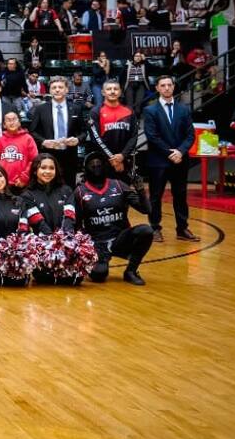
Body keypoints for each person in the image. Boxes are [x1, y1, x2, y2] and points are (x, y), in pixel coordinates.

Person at [75, 153, 153, 285]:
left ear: (105, 166)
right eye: (92, 164)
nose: (96, 167)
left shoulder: (119, 185)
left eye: (99, 164)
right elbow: (76, 224)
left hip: (120, 238)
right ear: (86, 168)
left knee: (146, 231)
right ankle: (97, 262)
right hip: (96, 242)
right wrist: (83, 249)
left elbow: (146, 210)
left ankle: (131, 271)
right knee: (99, 275)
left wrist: (141, 190)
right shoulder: (80, 192)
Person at [143, 74, 197, 242]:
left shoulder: (184, 109)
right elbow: (152, 136)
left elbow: (190, 135)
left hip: (180, 160)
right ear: (157, 88)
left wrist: (180, 152)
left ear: (173, 87)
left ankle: (182, 228)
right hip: (158, 161)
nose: (166, 88)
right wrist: (170, 153)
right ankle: (154, 228)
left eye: (169, 85)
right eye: (163, 85)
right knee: (155, 196)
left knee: (180, 195)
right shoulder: (150, 110)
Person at [28, 77, 81, 187]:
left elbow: (83, 131)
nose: (57, 90)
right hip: (48, 155)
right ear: (50, 90)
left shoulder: (76, 108)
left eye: (60, 87)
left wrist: (77, 139)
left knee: (69, 187)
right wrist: (43, 141)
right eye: (54, 87)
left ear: (66, 89)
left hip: (69, 156)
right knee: (48, 187)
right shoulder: (40, 109)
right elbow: (32, 131)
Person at [86, 80, 138, 180]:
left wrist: (122, 156)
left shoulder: (129, 111)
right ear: (103, 92)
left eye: (115, 89)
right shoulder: (95, 112)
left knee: (124, 188)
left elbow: (134, 136)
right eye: (109, 89)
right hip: (103, 162)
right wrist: (113, 159)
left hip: (124, 160)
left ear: (120, 92)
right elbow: (96, 138)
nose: (112, 91)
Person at [20, 153, 76, 240]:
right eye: (43, 168)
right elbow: (38, 223)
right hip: (42, 243)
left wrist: (65, 238)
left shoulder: (66, 191)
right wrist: (53, 240)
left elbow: (69, 218)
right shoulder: (27, 196)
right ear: (35, 171)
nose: (48, 171)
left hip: (66, 241)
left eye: (52, 168)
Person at [0, 110, 37, 191]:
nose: (12, 122)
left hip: (22, 183)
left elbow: (34, 160)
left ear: (19, 123)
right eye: (8, 120)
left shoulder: (28, 138)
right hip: (3, 183)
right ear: (4, 125)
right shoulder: (0, 140)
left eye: (14, 119)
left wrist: (24, 178)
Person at [123, 51, 150, 116]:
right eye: (136, 56)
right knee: (130, 104)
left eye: (139, 56)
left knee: (138, 105)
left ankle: (137, 117)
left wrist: (145, 60)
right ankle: (130, 118)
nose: (138, 57)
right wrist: (122, 87)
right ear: (133, 57)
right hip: (130, 85)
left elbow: (152, 68)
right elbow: (122, 76)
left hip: (140, 85)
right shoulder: (128, 65)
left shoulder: (144, 65)